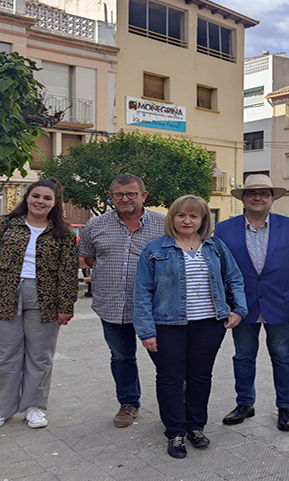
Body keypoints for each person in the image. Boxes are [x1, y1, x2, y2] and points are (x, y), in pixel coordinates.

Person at [133, 195, 248, 459]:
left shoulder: (215, 247)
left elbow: (235, 278)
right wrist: (146, 331)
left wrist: (239, 309)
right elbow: (142, 293)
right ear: (172, 218)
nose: (187, 220)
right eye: (181, 215)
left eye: (194, 216)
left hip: (208, 324)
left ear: (203, 220)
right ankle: (175, 431)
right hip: (167, 325)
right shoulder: (154, 249)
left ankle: (195, 426)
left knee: (200, 377)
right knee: (170, 378)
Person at [0, 179, 79, 430]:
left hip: (45, 298)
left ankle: (35, 407)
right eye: (36, 196)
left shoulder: (62, 232)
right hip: (4, 295)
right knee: (4, 356)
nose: (40, 202)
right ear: (27, 197)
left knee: (40, 356)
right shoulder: (5, 225)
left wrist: (66, 305)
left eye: (47, 198)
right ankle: (4, 409)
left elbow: (67, 271)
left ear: (55, 203)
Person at [215, 174, 289, 432]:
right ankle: (245, 403)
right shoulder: (224, 229)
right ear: (243, 198)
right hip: (242, 305)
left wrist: (281, 284)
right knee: (243, 356)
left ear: (272, 198)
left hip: (280, 302)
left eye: (264, 193)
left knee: (282, 357)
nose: (258, 198)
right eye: (252, 193)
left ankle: (284, 407)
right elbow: (220, 266)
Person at [79, 174, 165, 428]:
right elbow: (90, 259)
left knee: (166, 359)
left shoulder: (163, 225)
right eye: (118, 194)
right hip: (111, 307)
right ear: (111, 196)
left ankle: (174, 405)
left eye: (131, 194)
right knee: (121, 357)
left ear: (143, 196)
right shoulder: (95, 225)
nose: (125, 199)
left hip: (154, 308)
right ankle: (129, 403)